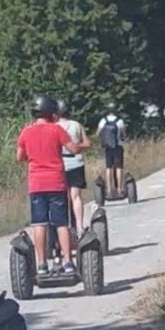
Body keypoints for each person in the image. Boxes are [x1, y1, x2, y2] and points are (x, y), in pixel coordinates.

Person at [17, 95, 82, 277]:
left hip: (36, 184)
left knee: (39, 223)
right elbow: (74, 149)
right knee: (61, 223)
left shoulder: (26, 132)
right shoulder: (57, 130)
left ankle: (42, 264)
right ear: (51, 113)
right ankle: (68, 262)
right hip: (56, 182)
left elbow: (19, 157)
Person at [56, 99, 92, 237]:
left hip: (59, 164)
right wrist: (76, 147)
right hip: (76, 162)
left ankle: (63, 229)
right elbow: (88, 143)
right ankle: (79, 227)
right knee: (76, 197)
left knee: (62, 198)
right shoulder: (76, 125)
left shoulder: (53, 127)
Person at [97, 102, 127, 198]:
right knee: (119, 167)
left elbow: (98, 133)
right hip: (117, 146)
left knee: (108, 167)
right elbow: (124, 134)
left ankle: (109, 189)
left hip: (107, 147)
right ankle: (120, 189)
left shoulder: (103, 120)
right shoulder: (119, 121)